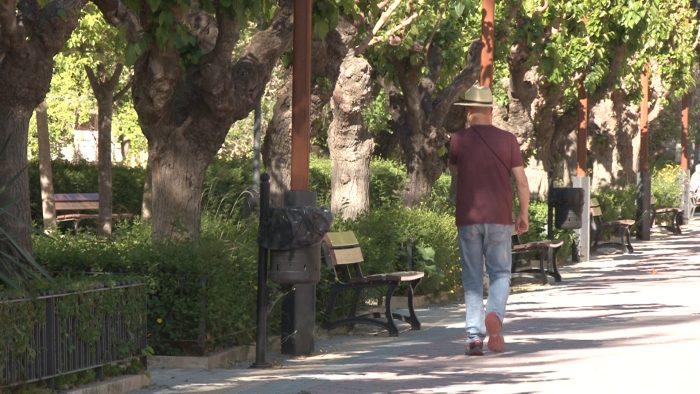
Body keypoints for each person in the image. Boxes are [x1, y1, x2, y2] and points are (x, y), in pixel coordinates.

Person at [448, 85, 530, 356]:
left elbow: (454, 171)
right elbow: (521, 181)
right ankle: (494, 314)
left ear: (469, 112)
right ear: (491, 111)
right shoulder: (508, 140)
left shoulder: (458, 140)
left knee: (472, 278)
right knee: (500, 273)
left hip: (468, 218)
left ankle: (473, 337)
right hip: (500, 218)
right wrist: (523, 214)